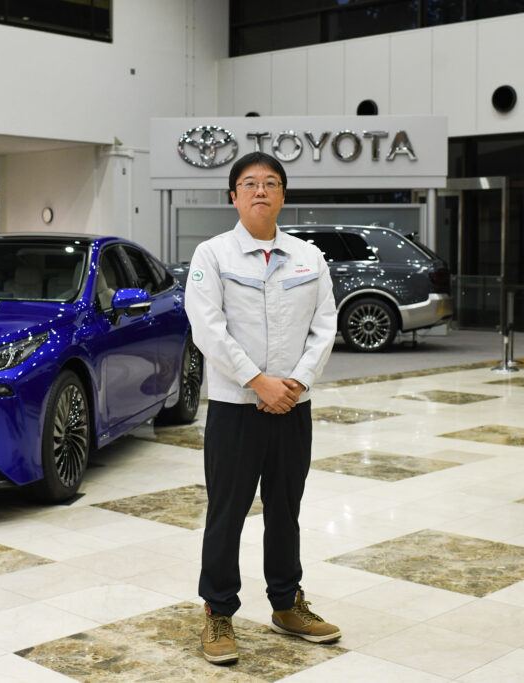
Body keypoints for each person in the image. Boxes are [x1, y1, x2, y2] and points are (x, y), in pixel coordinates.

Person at [184, 151, 340, 665]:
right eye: (249, 183)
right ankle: (218, 611)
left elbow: (325, 325)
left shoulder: (307, 257)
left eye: (271, 183)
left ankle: (286, 602)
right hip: (236, 406)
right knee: (227, 512)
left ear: (283, 195)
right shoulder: (213, 255)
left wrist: (294, 382)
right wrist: (258, 382)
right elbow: (208, 328)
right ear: (233, 195)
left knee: (286, 509)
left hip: (293, 405)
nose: (260, 191)